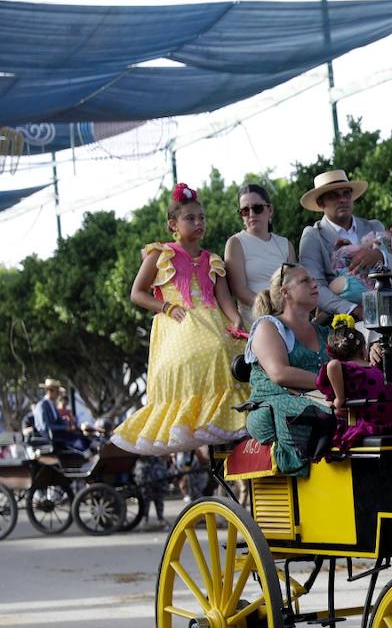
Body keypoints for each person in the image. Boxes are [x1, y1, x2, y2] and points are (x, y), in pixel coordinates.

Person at [112, 183, 249, 456]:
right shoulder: (160, 255)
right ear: (173, 224)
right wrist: (164, 306)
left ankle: (229, 418)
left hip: (213, 319)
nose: (199, 222)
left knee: (234, 352)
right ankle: (197, 416)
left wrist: (235, 319)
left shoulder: (212, 259)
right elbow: (137, 293)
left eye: (201, 217)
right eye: (190, 218)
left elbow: (223, 298)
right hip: (180, 321)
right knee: (209, 351)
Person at [244, 264, 334, 477]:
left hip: (318, 397)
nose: (315, 284)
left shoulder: (323, 331)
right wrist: (330, 382)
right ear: (285, 293)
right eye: (305, 281)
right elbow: (279, 374)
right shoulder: (268, 327)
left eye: (313, 279)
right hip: (273, 404)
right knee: (323, 414)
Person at [299, 169, 392, 319]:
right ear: (320, 203)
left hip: (387, 311)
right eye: (333, 196)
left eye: (346, 193)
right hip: (342, 320)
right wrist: (355, 310)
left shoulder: (374, 227)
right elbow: (315, 287)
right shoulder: (313, 236)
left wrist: (380, 256)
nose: (342, 199)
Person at [316, 314, 392, 452]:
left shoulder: (347, 369)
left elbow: (333, 365)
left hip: (374, 422)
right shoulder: (375, 369)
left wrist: (339, 398)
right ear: (364, 349)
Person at [225, 182, 297, 326]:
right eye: (245, 210)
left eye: (257, 208)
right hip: (256, 319)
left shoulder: (285, 244)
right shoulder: (235, 243)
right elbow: (239, 290)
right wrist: (272, 308)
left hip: (288, 314)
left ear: (270, 209)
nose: (251, 214)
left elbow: (294, 284)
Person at [31, 379, 87, 451]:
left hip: (57, 433)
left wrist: (69, 426)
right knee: (78, 439)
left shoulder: (52, 404)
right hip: (50, 435)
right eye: (57, 392)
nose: (58, 394)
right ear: (49, 391)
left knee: (81, 435)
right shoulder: (42, 405)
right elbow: (46, 427)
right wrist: (64, 428)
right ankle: (87, 456)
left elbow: (59, 420)